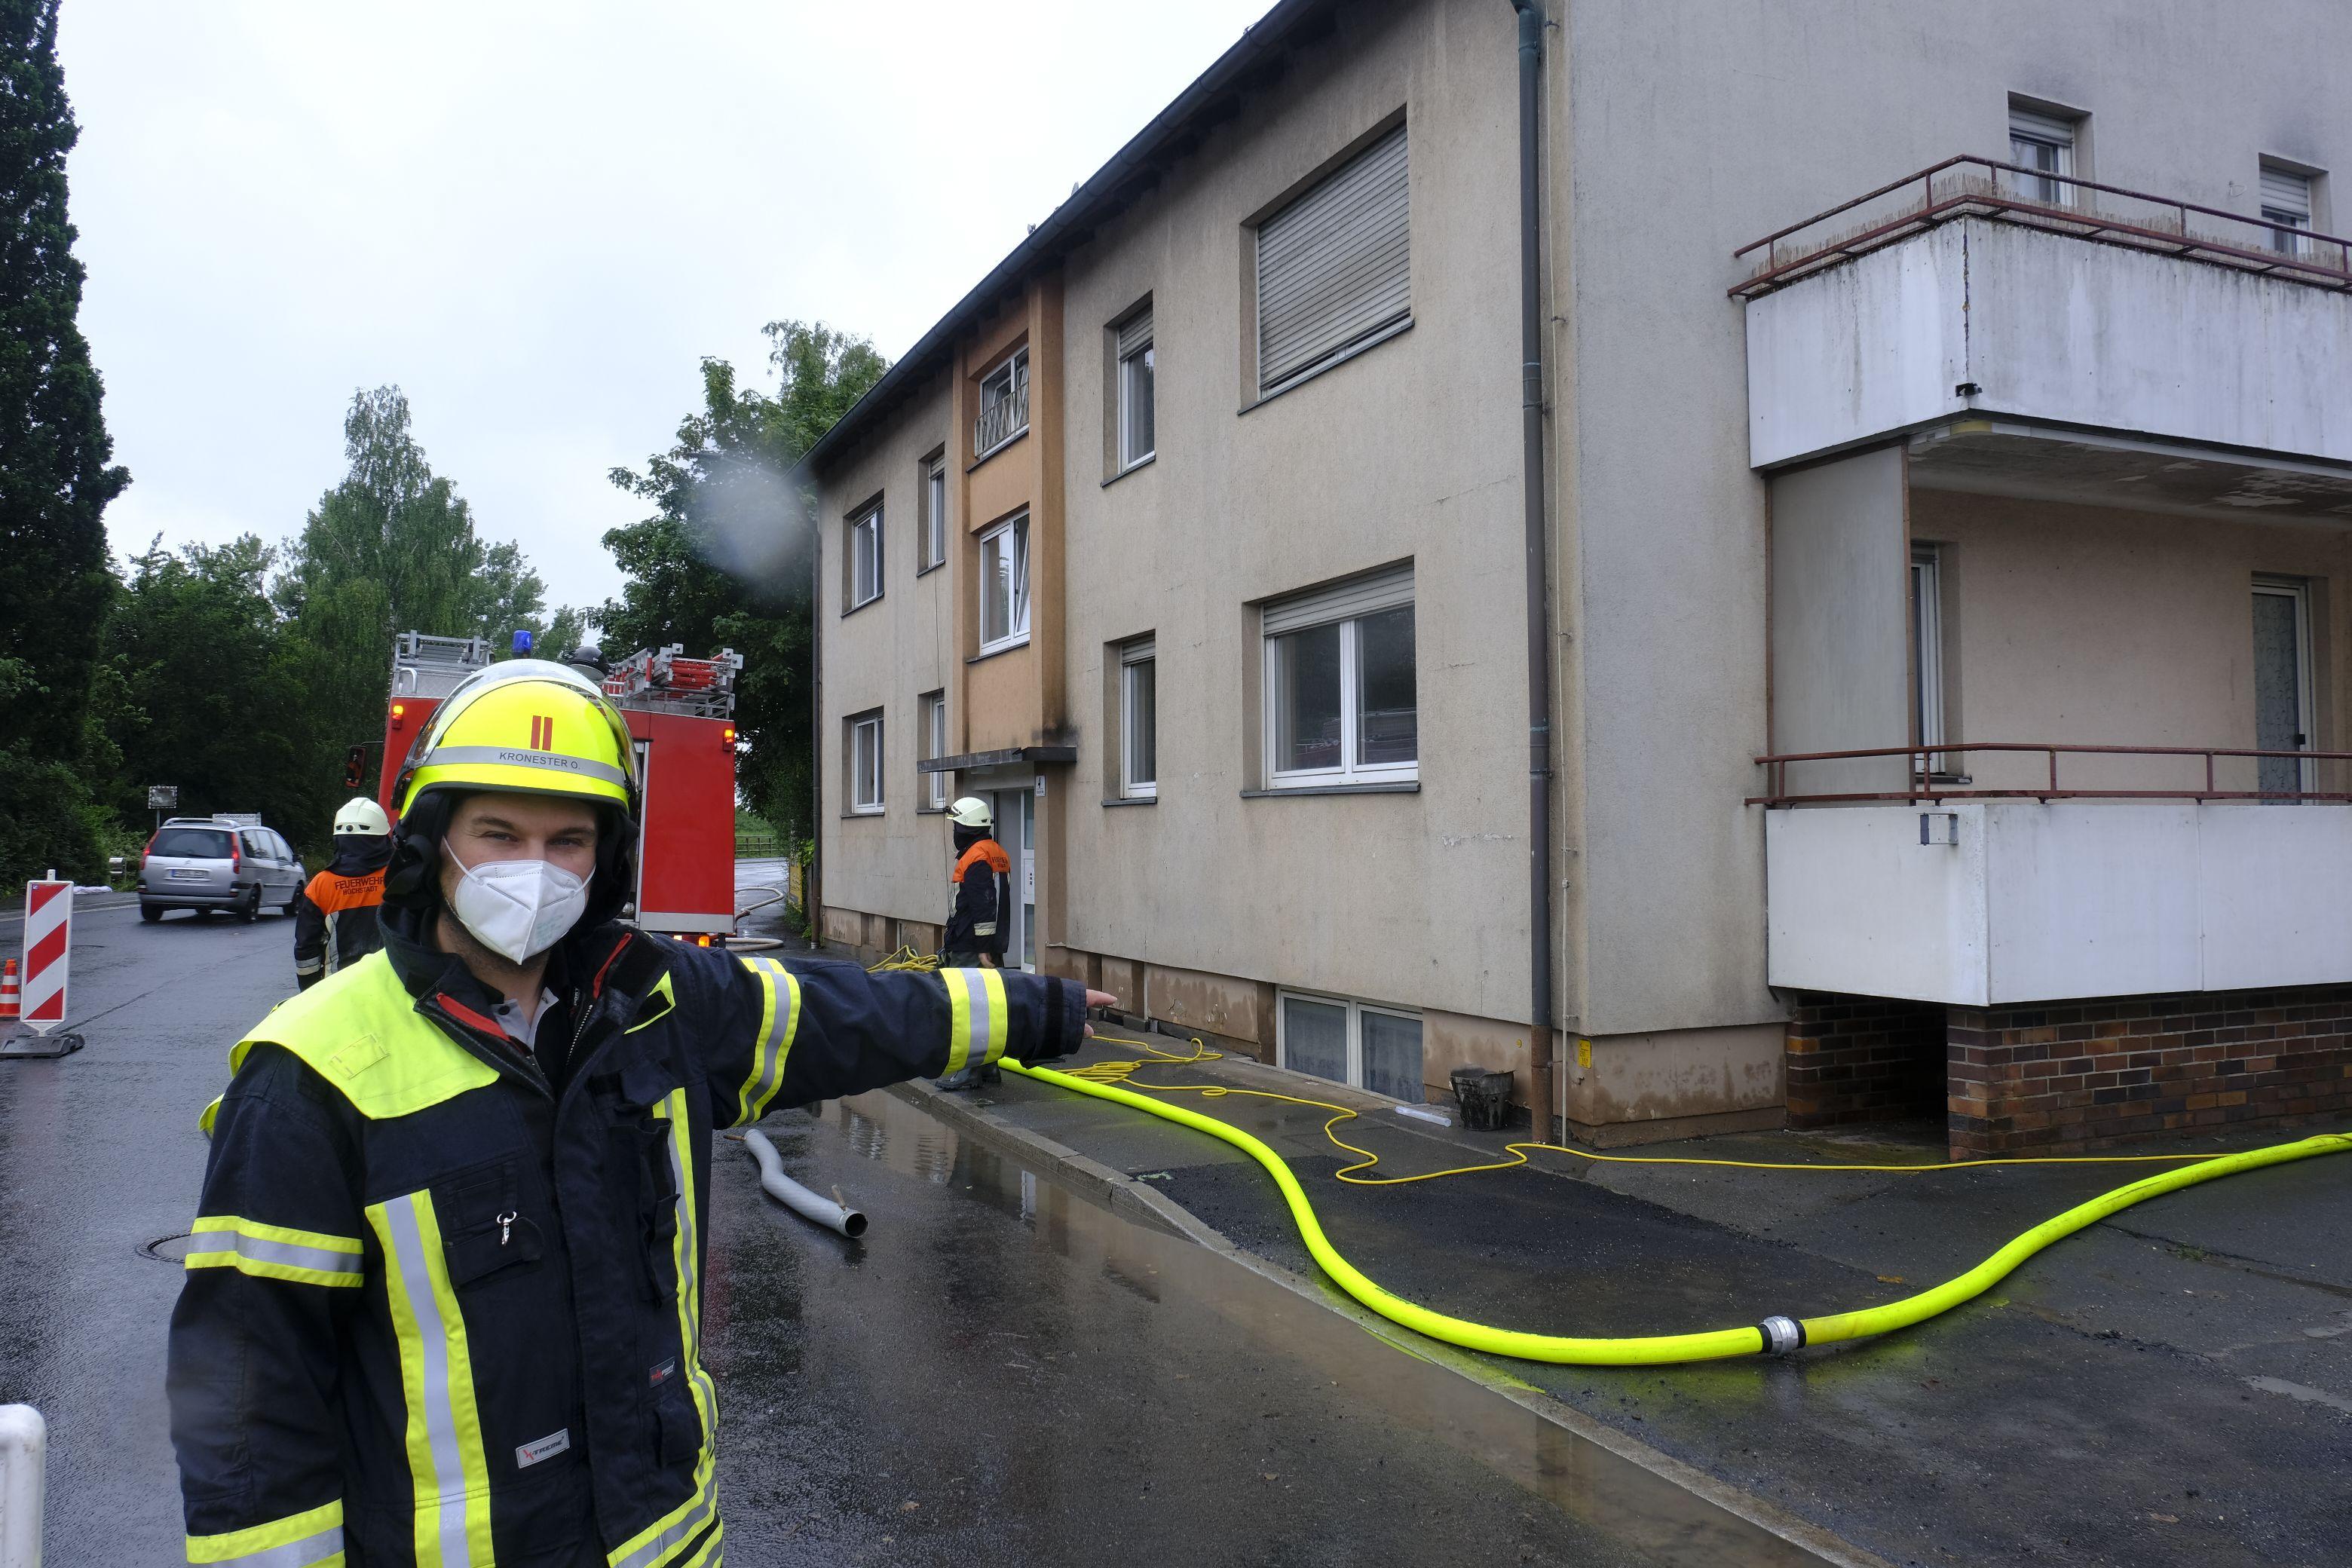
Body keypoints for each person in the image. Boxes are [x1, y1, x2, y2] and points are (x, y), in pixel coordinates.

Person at [167, 659, 1108, 1567]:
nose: (533, 870)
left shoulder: (661, 1002)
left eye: (566, 841)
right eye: (499, 834)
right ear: (430, 843)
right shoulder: (309, 1074)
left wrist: (1038, 1008)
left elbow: (851, 1016)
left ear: (604, 859)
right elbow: (254, 1412)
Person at [935, 795, 1011, 1090]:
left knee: (965, 1009)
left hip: (972, 948)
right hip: (988, 946)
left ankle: (968, 1071)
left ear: (965, 827)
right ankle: (989, 1067)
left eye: (955, 824)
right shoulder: (996, 852)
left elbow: (983, 904)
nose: (953, 831)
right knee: (988, 1009)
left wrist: (981, 948)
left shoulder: (976, 857)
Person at [290, 795, 394, 990]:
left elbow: (306, 948)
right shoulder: (399, 877)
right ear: (382, 839)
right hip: (393, 988)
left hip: (338, 990)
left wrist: (309, 992)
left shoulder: (321, 885)